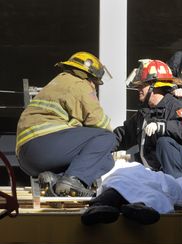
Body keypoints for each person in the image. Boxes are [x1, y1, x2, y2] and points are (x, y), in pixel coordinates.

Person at [16, 51, 116, 197]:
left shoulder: (58, 81)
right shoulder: (80, 84)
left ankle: (56, 179)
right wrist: (113, 141)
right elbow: (99, 122)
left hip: (28, 157)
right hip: (43, 147)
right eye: (94, 81)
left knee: (106, 161)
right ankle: (72, 180)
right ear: (88, 75)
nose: (94, 85)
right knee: (106, 138)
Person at [113, 59, 182, 178]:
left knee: (164, 143)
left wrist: (162, 126)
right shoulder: (143, 114)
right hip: (156, 167)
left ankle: (175, 187)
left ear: (154, 86)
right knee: (125, 171)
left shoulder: (179, 107)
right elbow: (123, 134)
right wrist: (103, 142)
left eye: (142, 85)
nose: (138, 89)